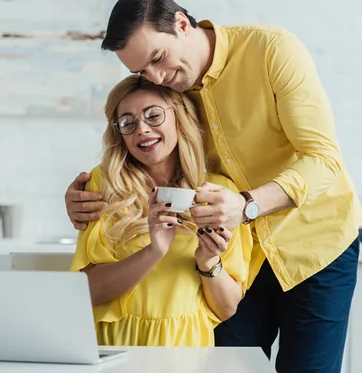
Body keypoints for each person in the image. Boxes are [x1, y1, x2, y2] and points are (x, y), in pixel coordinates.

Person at [65, 0, 362, 373]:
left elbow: (324, 160)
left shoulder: (272, 50)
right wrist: (87, 193)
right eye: (141, 72)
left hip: (313, 245)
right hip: (231, 254)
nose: (155, 77)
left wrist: (246, 204)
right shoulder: (171, 91)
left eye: (157, 58)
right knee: (228, 366)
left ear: (182, 24)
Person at [69, 74, 254, 346]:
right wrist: (154, 250)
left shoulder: (220, 193)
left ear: (179, 117)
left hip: (185, 349)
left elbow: (227, 309)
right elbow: (88, 292)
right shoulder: (103, 185)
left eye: (153, 115)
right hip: (118, 346)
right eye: (128, 123)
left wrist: (208, 261)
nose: (141, 129)